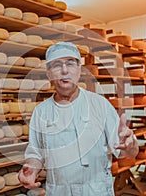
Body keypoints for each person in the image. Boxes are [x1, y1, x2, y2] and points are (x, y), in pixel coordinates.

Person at [18, 42, 139, 196]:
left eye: (70, 63)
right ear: (49, 74)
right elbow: (36, 154)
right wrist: (31, 169)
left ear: (79, 70)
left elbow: (127, 152)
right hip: (58, 192)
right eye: (57, 65)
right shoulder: (41, 112)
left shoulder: (100, 105)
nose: (64, 70)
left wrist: (130, 146)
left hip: (96, 191)